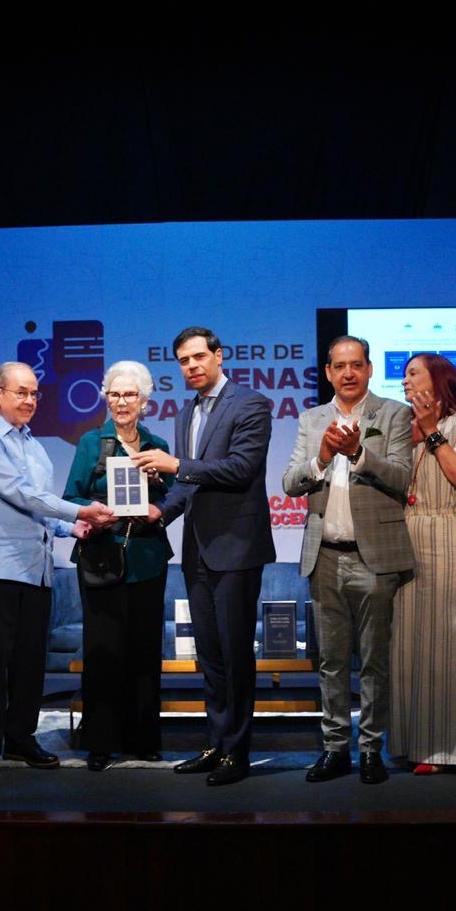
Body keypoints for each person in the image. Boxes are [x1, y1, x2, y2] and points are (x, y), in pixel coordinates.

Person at [0, 362, 113, 780]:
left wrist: (71, 528)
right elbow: (21, 493)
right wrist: (79, 510)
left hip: (35, 568)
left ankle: (21, 738)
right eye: (21, 392)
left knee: (29, 663)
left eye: (34, 393)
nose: (29, 400)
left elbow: (39, 508)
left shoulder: (34, 447)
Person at [134, 327, 274, 787]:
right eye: (183, 360)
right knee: (209, 656)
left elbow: (240, 469)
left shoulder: (250, 403)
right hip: (196, 549)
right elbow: (187, 485)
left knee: (235, 654)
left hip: (236, 547)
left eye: (198, 357)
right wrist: (159, 511)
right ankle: (216, 744)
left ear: (219, 356)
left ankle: (237, 751)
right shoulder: (185, 412)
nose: (191, 366)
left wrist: (176, 465)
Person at [281, 335, 413, 785]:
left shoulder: (393, 414)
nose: (348, 373)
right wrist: (321, 458)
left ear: (369, 369)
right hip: (325, 557)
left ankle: (371, 749)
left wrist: (358, 452)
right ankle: (335, 748)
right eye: (340, 366)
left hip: (374, 556)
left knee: (374, 661)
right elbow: (290, 482)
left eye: (356, 364)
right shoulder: (312, 418)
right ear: (328, 372)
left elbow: (402, 477)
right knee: (331, 662)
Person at [62, 361, 174, 771]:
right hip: (102, 555)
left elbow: (175, 497)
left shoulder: (157, 444)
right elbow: (70, 497)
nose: (121, 402)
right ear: (106, 399)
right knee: (103, 651)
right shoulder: (91, 442)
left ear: (144, 401)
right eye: (114, 394)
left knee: (145, 651)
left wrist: (158, 500)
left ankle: (143, 739)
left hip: (147, 556)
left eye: (129, 394)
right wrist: (95, 511)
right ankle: (100, 742)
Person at [389, 353, 456, 774]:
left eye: (413, 373)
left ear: (438, 379)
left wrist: (432, 432)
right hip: (407, 534)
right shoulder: (399, 428)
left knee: (444, 642)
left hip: (448, 533)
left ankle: (440, 747)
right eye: (405, 374)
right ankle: (408, 741)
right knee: (406, 643)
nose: (405, 380)